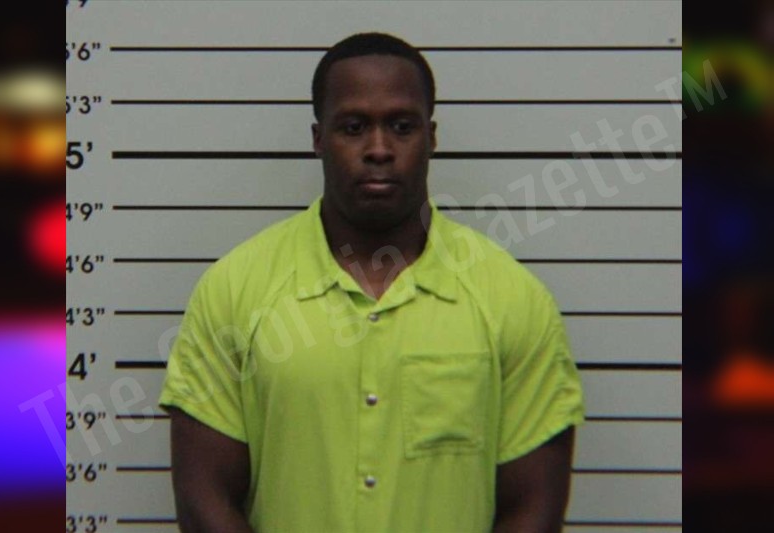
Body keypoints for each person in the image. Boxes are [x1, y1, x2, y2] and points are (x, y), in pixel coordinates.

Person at [159, 32, 585, 533]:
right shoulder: (234, 291)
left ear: (432, 137)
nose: (379, 149)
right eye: (354, 127)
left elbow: (534, 508)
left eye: (401, 127)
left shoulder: (512, 299)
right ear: (318, 139)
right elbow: (203, 499)